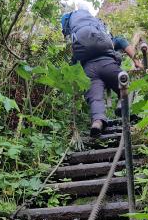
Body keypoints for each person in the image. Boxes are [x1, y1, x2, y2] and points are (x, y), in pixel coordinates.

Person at [61, 9, 143, 137]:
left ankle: (97, 122)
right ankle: (122, 105)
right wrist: (137, 61)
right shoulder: (105, 37)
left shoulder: (78, 41)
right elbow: (122, 42)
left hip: (88, 70)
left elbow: (74, 65)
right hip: (108, 64)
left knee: (95, 98)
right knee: (128, 86)